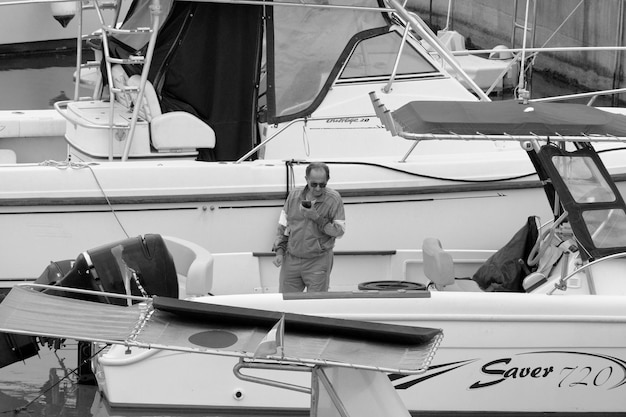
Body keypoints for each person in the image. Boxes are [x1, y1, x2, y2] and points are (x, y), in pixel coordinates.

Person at [272, 162, 346, 292]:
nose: (318, 188)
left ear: (327, 180)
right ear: (306, 180)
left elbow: (339, 232)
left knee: (316, 305)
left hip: (318, 261)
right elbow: (283, 227)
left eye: (322, 185)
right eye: (314, 184)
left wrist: (316, 218)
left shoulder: (334, 199)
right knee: (286, 304)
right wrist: (279, 252)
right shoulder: (294, 195)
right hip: (291, 260)